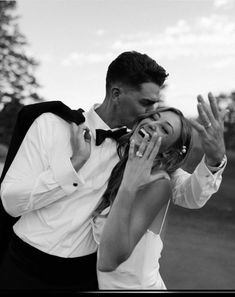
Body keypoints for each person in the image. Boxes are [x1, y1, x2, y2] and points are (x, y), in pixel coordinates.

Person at [0, 51, 226, 291]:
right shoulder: (50, 124)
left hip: (84, 277)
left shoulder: (139, 152)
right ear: (116, 94)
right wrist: (73, 165)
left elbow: (187, 194)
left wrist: (213, 159)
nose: (150, 114)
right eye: (147, 103)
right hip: (23, 268)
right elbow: (11, 201)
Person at [92, 107, 192, 289]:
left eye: (165, 129)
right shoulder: (119, 169)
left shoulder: (158, 184)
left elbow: (108, 261)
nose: (154, 125)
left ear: (169, 152)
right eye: (153, 117)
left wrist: (128, 186)